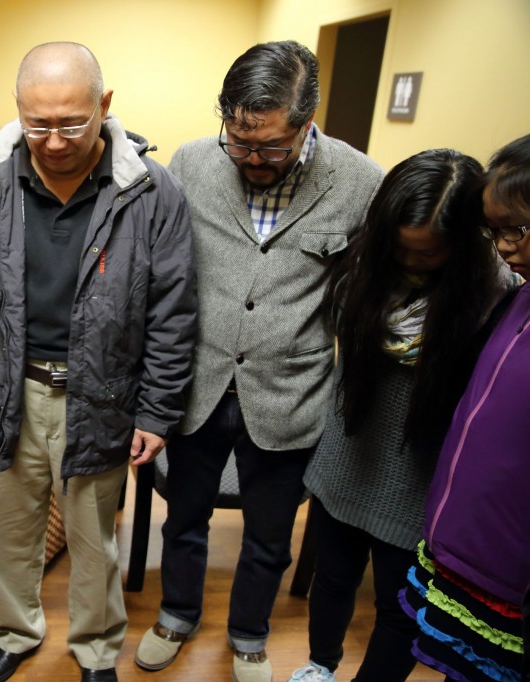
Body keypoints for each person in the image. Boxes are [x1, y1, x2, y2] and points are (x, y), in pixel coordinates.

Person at [0, 41, 197, 682]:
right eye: (37, 123)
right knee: (9, 535)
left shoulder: (151, 193)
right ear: (17, 110)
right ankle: (15, 634)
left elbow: (173, 313)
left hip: (102, 397)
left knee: (95, 543)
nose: (52, 141)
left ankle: (97, 649)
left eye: (71, 123)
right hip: (10, 390)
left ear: (104, 106)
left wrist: (157, 411)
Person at [133, 40, 383, 682]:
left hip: (291, 393)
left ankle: (249, 634)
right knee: (182, 518)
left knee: (271, 537)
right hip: (197, 386)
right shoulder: (190, 163)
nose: (251, 157)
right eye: (239, 140)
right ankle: (177, 616)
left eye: (270, 146)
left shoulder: (360, 182)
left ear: (308, 122)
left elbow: (374, 287)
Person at [288, 149, 515, 682]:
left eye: (429, 254)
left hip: (419, 481)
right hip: (346, 460)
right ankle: (320, 666)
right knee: (332, 581)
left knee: (400, 608)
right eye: (401, 248)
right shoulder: (362, 269)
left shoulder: (494, 299)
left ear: (461, 245)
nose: (411, 262)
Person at [400, 133, 530, 682]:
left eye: (516, 229)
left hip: (509, 570)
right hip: (459, 546)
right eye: (493, 230)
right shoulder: (520, 296)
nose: (503, 246)